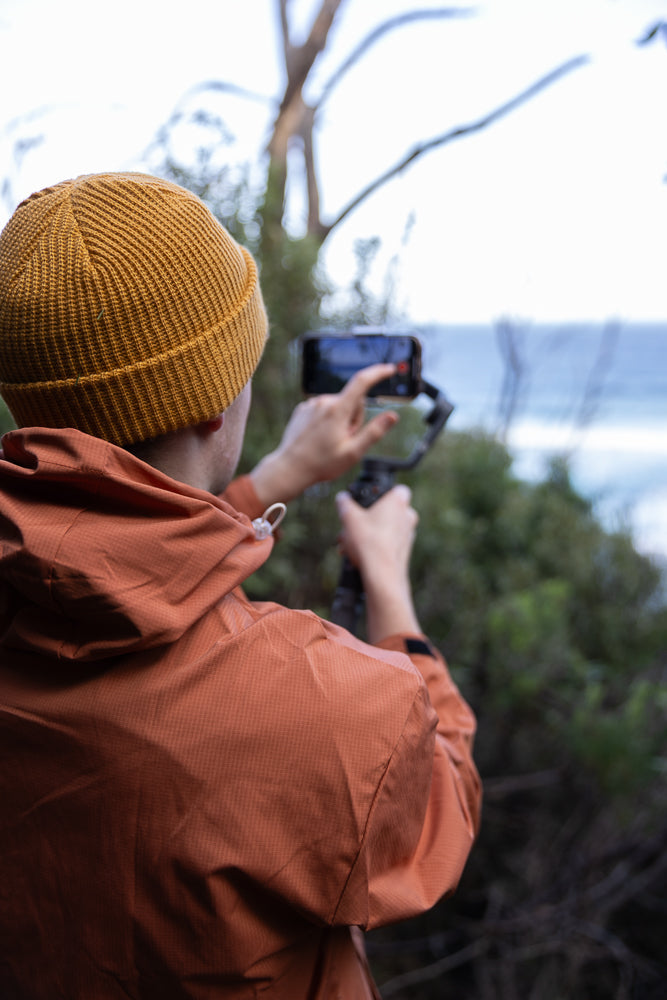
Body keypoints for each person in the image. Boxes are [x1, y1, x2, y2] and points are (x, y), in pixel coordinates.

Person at [0, 172, 481, 999]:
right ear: (217, 406)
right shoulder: (325, 707)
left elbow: (107, 569)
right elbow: (440, 809)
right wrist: (393, 596)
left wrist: (267, 482)